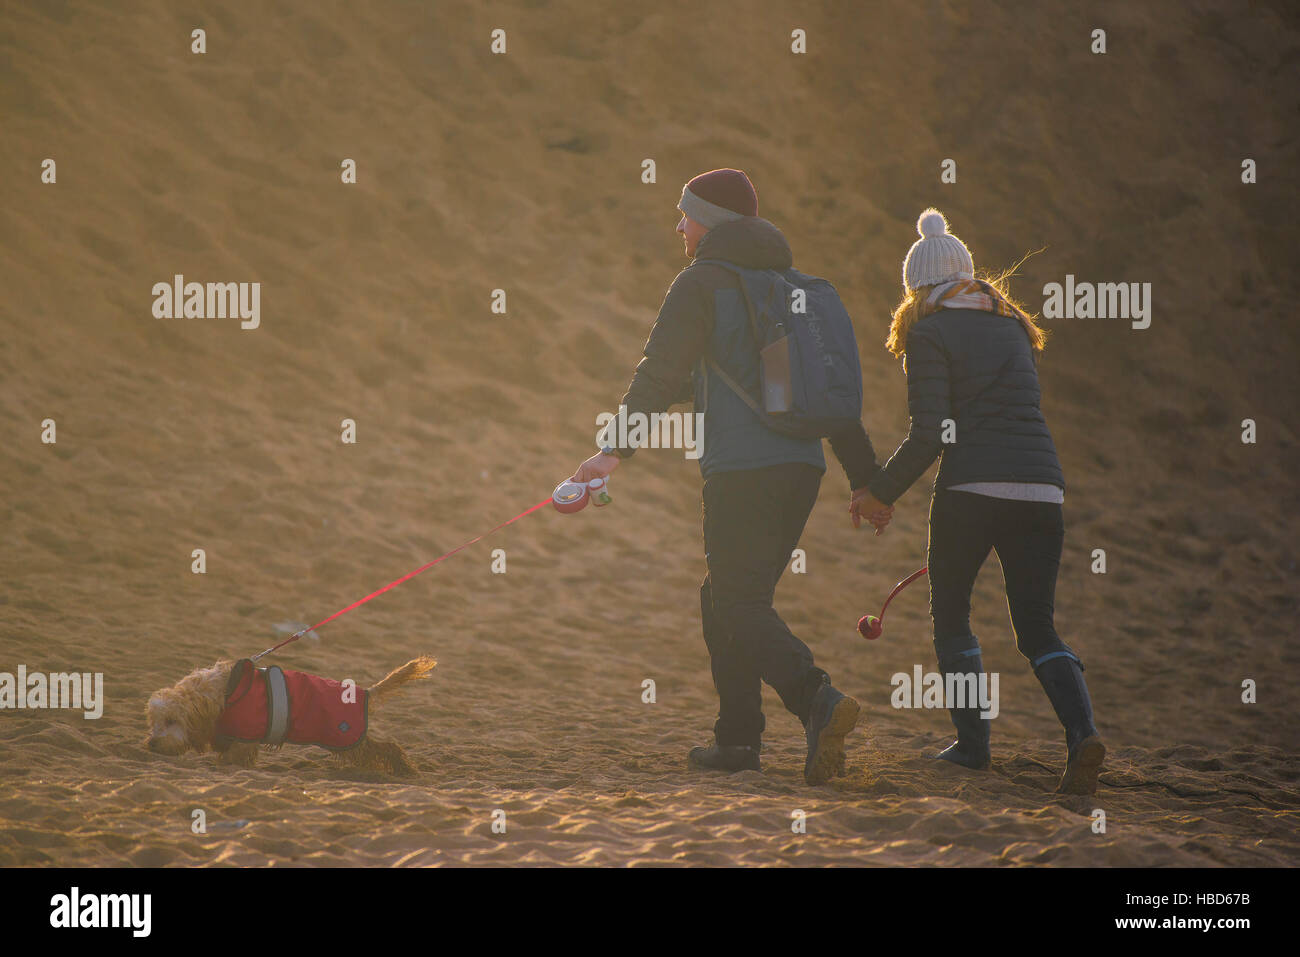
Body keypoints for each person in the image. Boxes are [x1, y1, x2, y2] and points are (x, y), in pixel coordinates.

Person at [569, 169, 891, 784]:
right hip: (801, 470)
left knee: (737, 600)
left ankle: (817, 698)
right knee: (727, 599)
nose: (679, 227)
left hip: (742, 472)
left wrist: (609, 453)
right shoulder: (789, 290)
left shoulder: (701, 284)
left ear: (710, 224)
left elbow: (658, 374)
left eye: (685, 215)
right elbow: (830, 396)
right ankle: (739, 740)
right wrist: (865, 480)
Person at [855, 209, 1105, 795]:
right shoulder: (1014, 325)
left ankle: (972, 747)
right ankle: (1083, 735)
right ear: (967, 276)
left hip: (971, 488)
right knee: (1038, 626)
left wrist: (878, 494)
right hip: (1043, 488)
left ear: (916, 287)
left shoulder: (927, 330)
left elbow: (931, 431)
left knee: (952, 615)